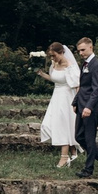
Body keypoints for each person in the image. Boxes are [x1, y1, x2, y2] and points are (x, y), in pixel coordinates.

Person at [72, 35, 98, 176]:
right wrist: (75, 102)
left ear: (91, 47)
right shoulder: (84, 64)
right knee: (79, 137)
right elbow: (83, 86)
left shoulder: (97, 65)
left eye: (83, 50)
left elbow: (96, 89)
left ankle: (88, 169)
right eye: (79, 51)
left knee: (89, 139)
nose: (80, 53)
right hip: (81, 104)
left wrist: (89, 107)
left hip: (90, 107)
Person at [36, 42, 79, 171]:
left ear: (61, 53)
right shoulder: (54, 64)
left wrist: (77, 102)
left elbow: (77, 85)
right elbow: (55, 79)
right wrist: (41, 74)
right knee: (48, 124)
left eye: (54, 55)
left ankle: (64, 157)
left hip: (67, 97)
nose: (52, 58)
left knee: (63, 125)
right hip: (56, 97)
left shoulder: (70, 66)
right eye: (51, 56)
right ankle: (73, 150)